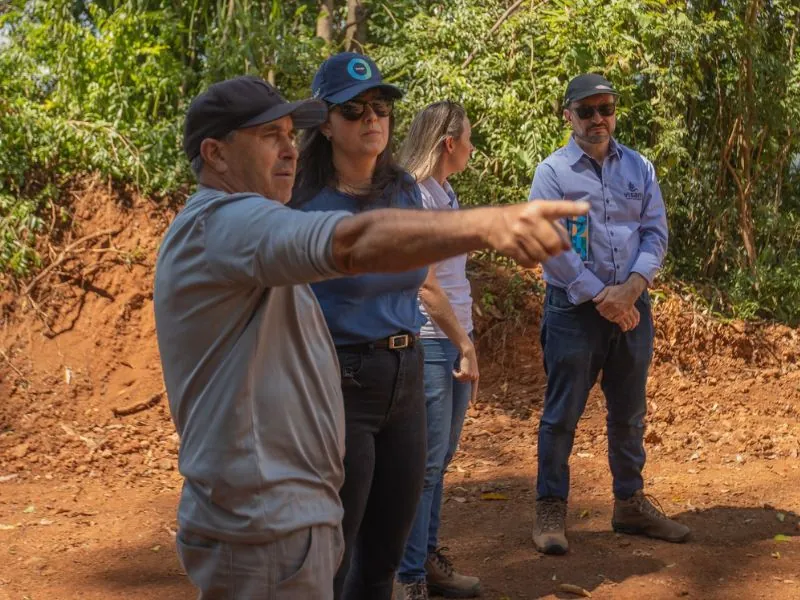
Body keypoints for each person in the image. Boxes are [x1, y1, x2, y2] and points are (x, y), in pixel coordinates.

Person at [154, 74, 587, 600]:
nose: (290, 149)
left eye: (293, 134)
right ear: (216, 154)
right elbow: (353, 242)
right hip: (262, 525)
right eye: (271, 136)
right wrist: (489, 224)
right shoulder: (225, 223)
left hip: (281, 511)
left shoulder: (243, 227)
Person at [528, 73, 689, 556]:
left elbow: (654, 233)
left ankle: (630, 503)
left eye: (607, 109)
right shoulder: (552, 174)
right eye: (587, 110)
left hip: (633, 306)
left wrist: (633, 289)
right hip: (574, 311)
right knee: (562, 414)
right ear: (568, 116)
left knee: (629, 412)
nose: (599, 119)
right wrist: (604, 298)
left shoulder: (639, 167)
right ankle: (550, 507)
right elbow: (550, 245)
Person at [395, 101, 481, 600]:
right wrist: (463, 342)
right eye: (468, 138)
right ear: (449, 143)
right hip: (430, 342)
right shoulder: (415, 196)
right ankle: (410, 579)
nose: (473, 147)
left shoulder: (444, 194)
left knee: (440, 458)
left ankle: (425, 559)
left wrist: (467, 341)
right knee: (425, 464)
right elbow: (426, 286)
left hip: (451, 341)